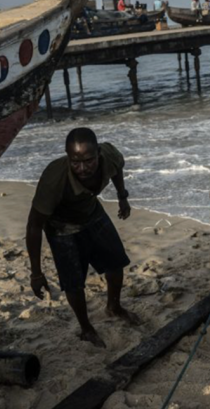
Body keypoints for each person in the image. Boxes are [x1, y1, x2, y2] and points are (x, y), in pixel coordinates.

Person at [26, 128, 136, 348]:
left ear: (98, 155)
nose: (83, 168)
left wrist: (122, 197)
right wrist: (36, 273)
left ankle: (114, 306)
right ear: (68, 157)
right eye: (75, 162)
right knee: (73, 283)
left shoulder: (110, 155)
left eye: (89, 160)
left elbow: (117, 170)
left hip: (92, 214)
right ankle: (86, 328)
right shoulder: (54, 178)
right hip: (62, 227)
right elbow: (34, 226)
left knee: (116, 262)